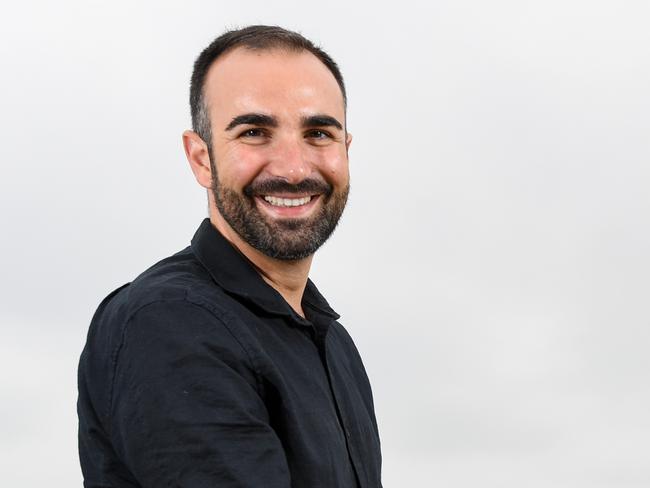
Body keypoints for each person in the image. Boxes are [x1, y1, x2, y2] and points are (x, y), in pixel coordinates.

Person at [77, 25, 382, 488]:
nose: (294, 167)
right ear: (201, 158)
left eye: (318, 132)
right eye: (255, 132)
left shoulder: (333, 342)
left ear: (345, 150)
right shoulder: (170, 322)